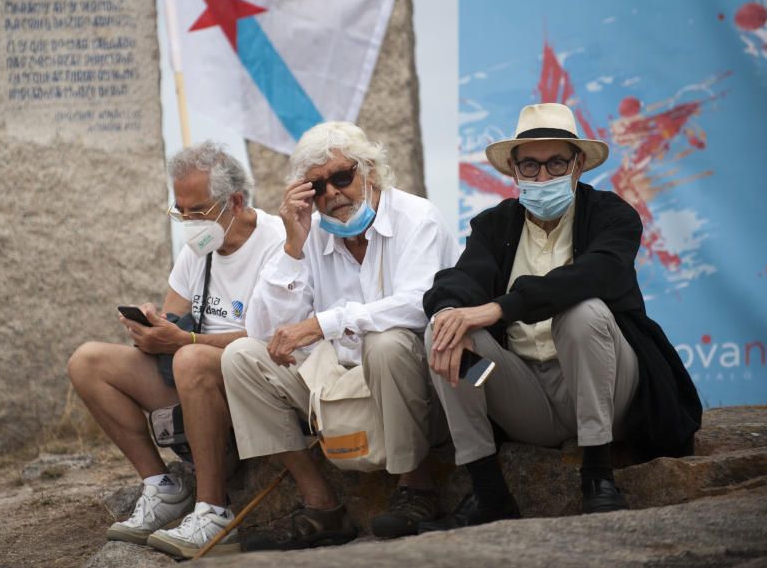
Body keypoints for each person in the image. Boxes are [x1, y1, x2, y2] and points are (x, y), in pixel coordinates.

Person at [421, 102, 702, 531]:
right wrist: (449, 313)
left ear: (578, 165)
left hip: (607, 389)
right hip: (525, 396)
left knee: (582, 311)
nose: (543, 176)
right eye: (530, 166)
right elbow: (461, 278)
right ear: (513, 171)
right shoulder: (495, 225)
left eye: (556, 163)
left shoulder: (614, 215)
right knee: (444, 331)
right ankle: (488, 491)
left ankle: (597, 476)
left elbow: (594, 275)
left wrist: (502, 306)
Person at [221, 121, 460, 550]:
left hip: (414, 383)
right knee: (240, 356)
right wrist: (292, 245)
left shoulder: (417, 217)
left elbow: (420, 304)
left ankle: (416, 487)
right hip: (338, 383)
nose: (332, 193)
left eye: (342, 177)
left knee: (385, 342)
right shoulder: (309, 235)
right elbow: (260, 330)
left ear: (369, 170)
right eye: (317, 186)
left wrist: (325, 323)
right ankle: (323, 504)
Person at [67, 142, 284, 558]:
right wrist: (153, 327)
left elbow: (270, 341)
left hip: (247, 380)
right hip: (189, 372)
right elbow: (174, 315)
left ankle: (213, 508)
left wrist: (184, 342)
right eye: (179, 210)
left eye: (196, 210)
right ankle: (162, 486)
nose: (187, 221)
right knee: (88, 361)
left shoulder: (275, 244)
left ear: (235, 201)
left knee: (190, 358)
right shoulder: (199, 248)